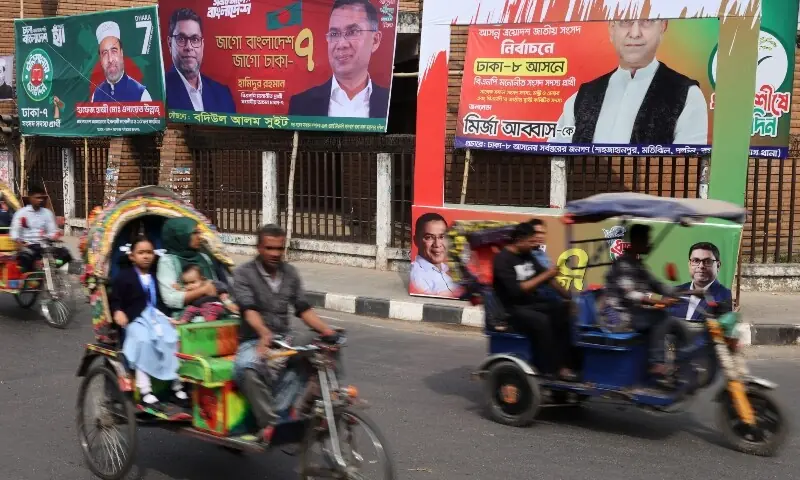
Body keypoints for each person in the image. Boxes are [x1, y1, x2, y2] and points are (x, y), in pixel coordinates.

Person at [232, 224, 338, 442]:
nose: (275, 254)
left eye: (279, 249)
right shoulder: (243, 274)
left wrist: (327, 331)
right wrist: (263, 333)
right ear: (259, 247)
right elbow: (248, 309)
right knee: (245, 368)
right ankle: (269, 423)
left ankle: (329, 399)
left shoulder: (290, 273)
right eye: (269, 248)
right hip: (253, 339)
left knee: (323, 346)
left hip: (284, 339)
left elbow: (303, 308)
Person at [550, 19, 707, 145]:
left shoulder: (688, 95)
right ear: (612, 29)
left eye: (647, 21)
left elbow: (687, 172)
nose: (635, 33)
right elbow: (556, 161)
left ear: (663, 26)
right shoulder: (581, 97)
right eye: (625, 21)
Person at [604, 224, 697, 379]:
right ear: (637, 241)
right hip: (619, 316)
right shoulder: (624, 265)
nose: (650, 244)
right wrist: (659, 301)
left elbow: (657, 285)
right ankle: (656, 362)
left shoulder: (638, 264)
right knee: (661, 318)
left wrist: (688, 291)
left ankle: (684, 363)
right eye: (647, 240)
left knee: (677, 324)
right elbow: (631, 294)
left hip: (634, 313)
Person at [110, 236, 188, 409]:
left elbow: (161, 301)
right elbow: (115, 300)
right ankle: (145, 391)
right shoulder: (124, 277)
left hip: (156, 317)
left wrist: (169, 317)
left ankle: (177, 386)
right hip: (135, 319)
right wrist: (118, 312)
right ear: (132, 256)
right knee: (143, 341)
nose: (145, 256)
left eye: (149, 252)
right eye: (141, 252)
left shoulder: (156, 276)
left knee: (173, 338)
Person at [492, 221, 575, 380]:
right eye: (530, 241)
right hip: (513, 309)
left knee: (562, 310)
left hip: (532, 304)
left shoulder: (527, 255)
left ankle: (568, 363)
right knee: (542, 321)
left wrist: (569, 297)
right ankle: (550, 368)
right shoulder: (502, 260)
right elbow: (518, 289)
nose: (533, 245)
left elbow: (548, 278)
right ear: (519, 240)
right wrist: (546, 275)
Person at [288, 0, 390, 118]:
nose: (341, 44)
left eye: (352, 32)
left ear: (375, 40)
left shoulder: (389, 103)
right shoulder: (301, 104)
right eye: (334, 34)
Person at [164, 8, 236, 113]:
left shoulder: (222, 94)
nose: (188, 47)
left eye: (195, 39)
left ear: (202, 45)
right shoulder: (161, 91)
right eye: (181, 39)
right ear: (170, 44)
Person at [156, 217, 225, 314]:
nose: (199, 236)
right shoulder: (168, 261)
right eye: (195, 233)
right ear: (181, 235)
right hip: (185, 315)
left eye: (199, 232)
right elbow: (170, 299)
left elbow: (215, 287)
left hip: (213, 310)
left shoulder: (204, 257)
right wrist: (203, 290)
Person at [10, 184, 72, 273]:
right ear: (30, 198)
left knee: (65, 254)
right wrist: (21, 245)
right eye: (37, 198)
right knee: (26, 259)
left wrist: (55, 236)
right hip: (28, 246)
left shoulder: (47, 213)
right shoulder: (21, 213)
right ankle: (27, 279)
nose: (41, 200)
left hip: (44, 246)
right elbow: (15, 234)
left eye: (42, 198)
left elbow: (52, 232)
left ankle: (58, 272)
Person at [669, 242, 733, 321]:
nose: (701, 266)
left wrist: (707, 296)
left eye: (707, 261)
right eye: (695, 260)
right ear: (689, 264)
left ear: (718, 266)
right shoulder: (676, 291)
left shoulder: (727, 296)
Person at [91, 21, 152, 103]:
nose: (110, 59)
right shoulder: (96, 96)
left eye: (114, 51)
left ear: (121, 53)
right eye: (105, 53)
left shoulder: (141, 95)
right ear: (100, 59)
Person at [409, 213, 460, 296]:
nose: (437, 244)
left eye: (442, 237)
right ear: (416, 241)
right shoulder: (417, 275)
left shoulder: (447, 268)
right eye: (429, 237)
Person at [170, 264, 239, 325]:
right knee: (190, 309)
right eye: (186, 283)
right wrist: (179, 288)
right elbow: (183, 291)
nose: (189, 286)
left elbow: (220, 285)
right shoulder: (189, 290)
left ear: (202, 279)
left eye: (192, 282)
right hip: (199, 309)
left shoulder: (207, 283)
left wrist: (223, 293)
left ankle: (210, 325)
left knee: (212, 312)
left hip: (212, 305)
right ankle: (182, 322)